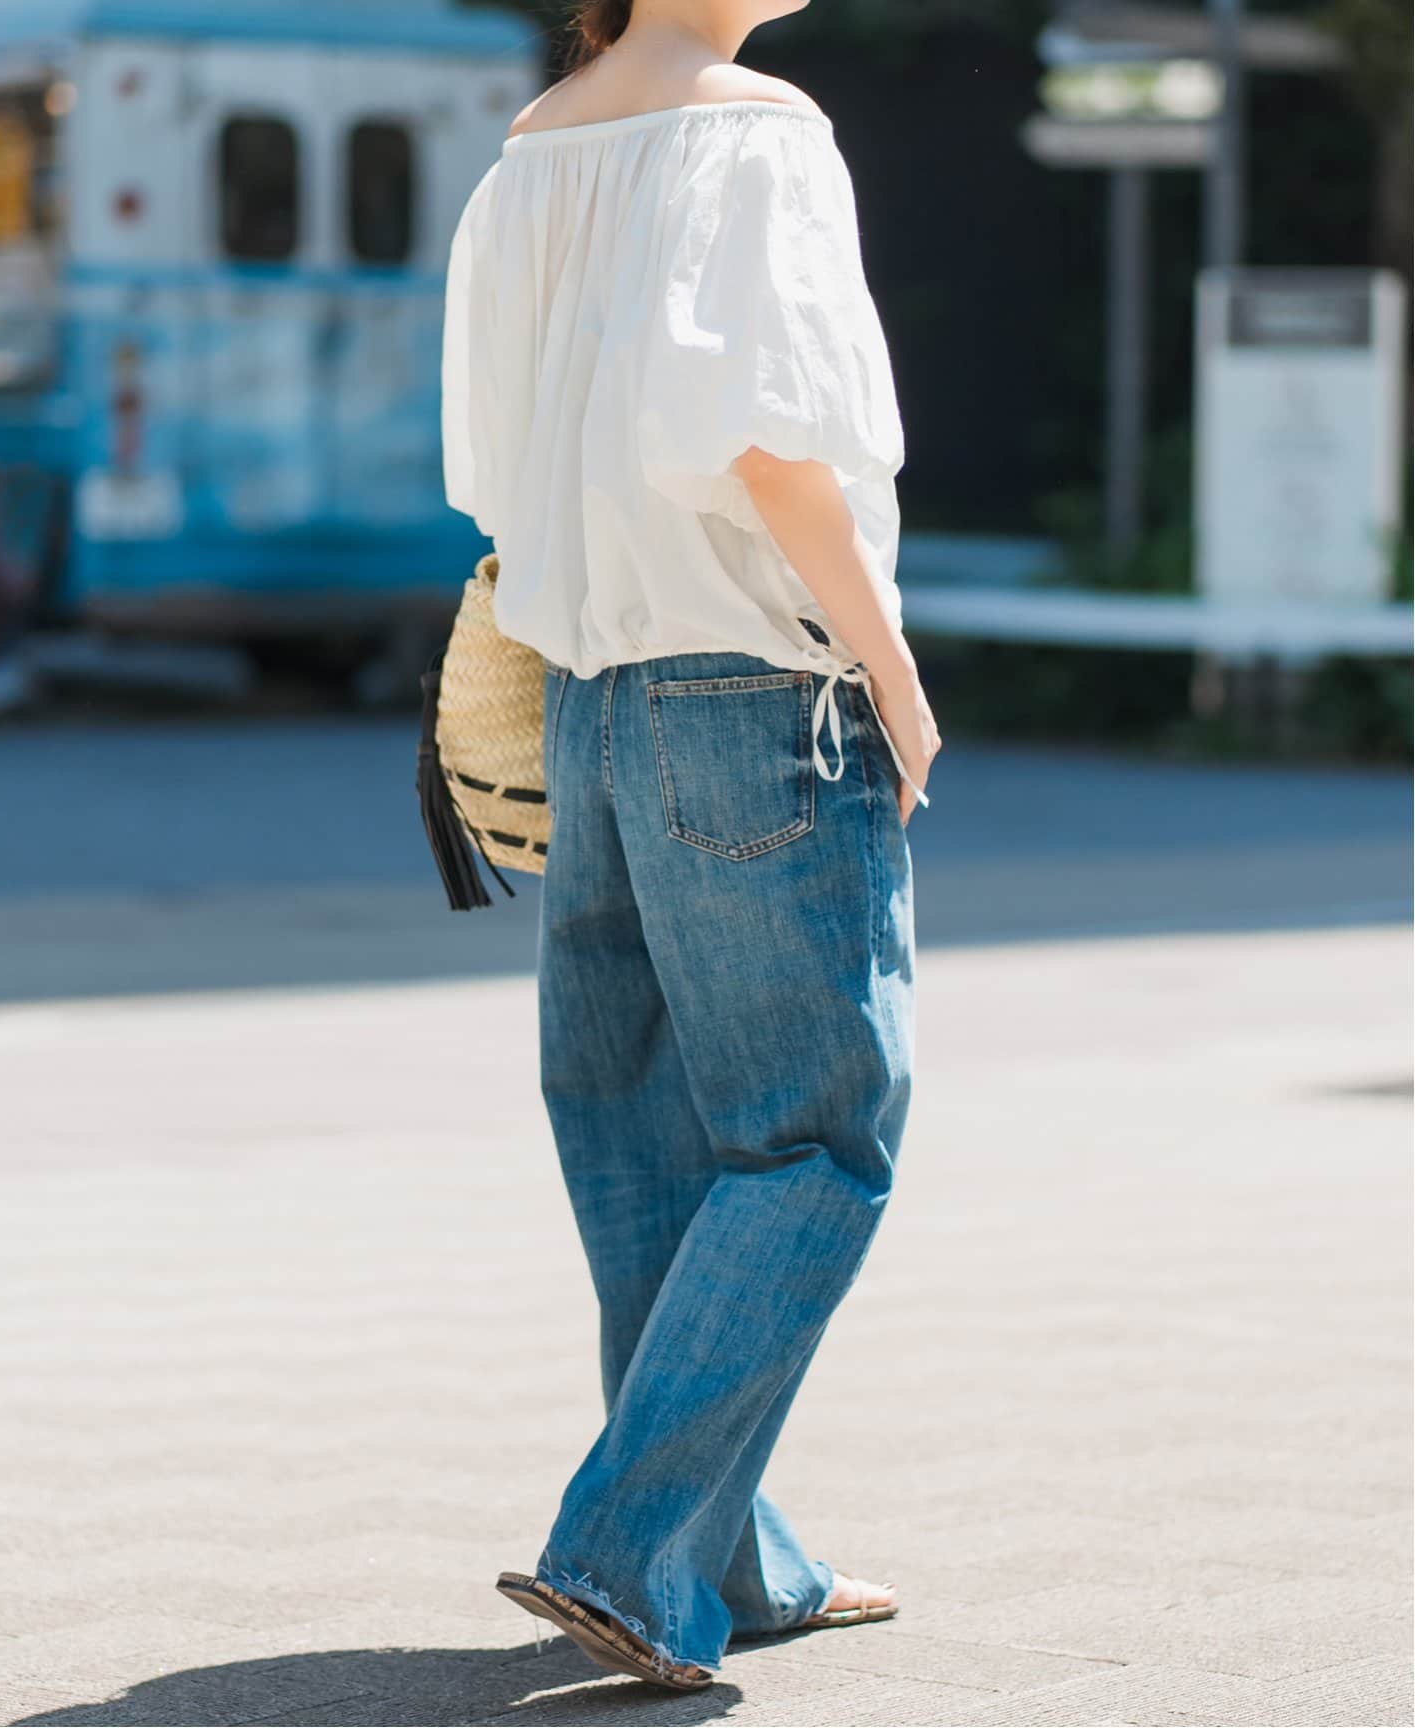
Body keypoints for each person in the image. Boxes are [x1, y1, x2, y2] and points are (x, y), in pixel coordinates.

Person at [439, 0, 942, 1693]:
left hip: (590, 698)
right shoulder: (756, 128)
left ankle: (724, 1561)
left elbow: (496, 465)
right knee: (818, 1135)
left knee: (642, 1127)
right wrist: (893, 669)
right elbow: (767, 439)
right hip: (752, 694)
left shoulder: (535, 148)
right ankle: (627, 1553)